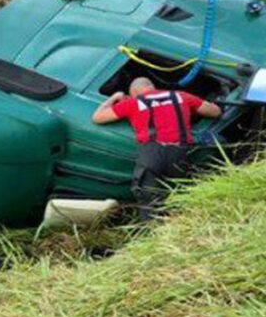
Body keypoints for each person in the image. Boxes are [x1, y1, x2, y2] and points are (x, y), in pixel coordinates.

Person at [92, 76, 221, 218]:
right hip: (178, 153)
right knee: (180, 198)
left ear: (134, 91)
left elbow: (97, 117)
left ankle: (151, 232)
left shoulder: (132, 103)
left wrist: (115, 97)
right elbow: (215, 111)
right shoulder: (180, 96)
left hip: (151, 153)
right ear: (152, 86)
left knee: (149, 201)